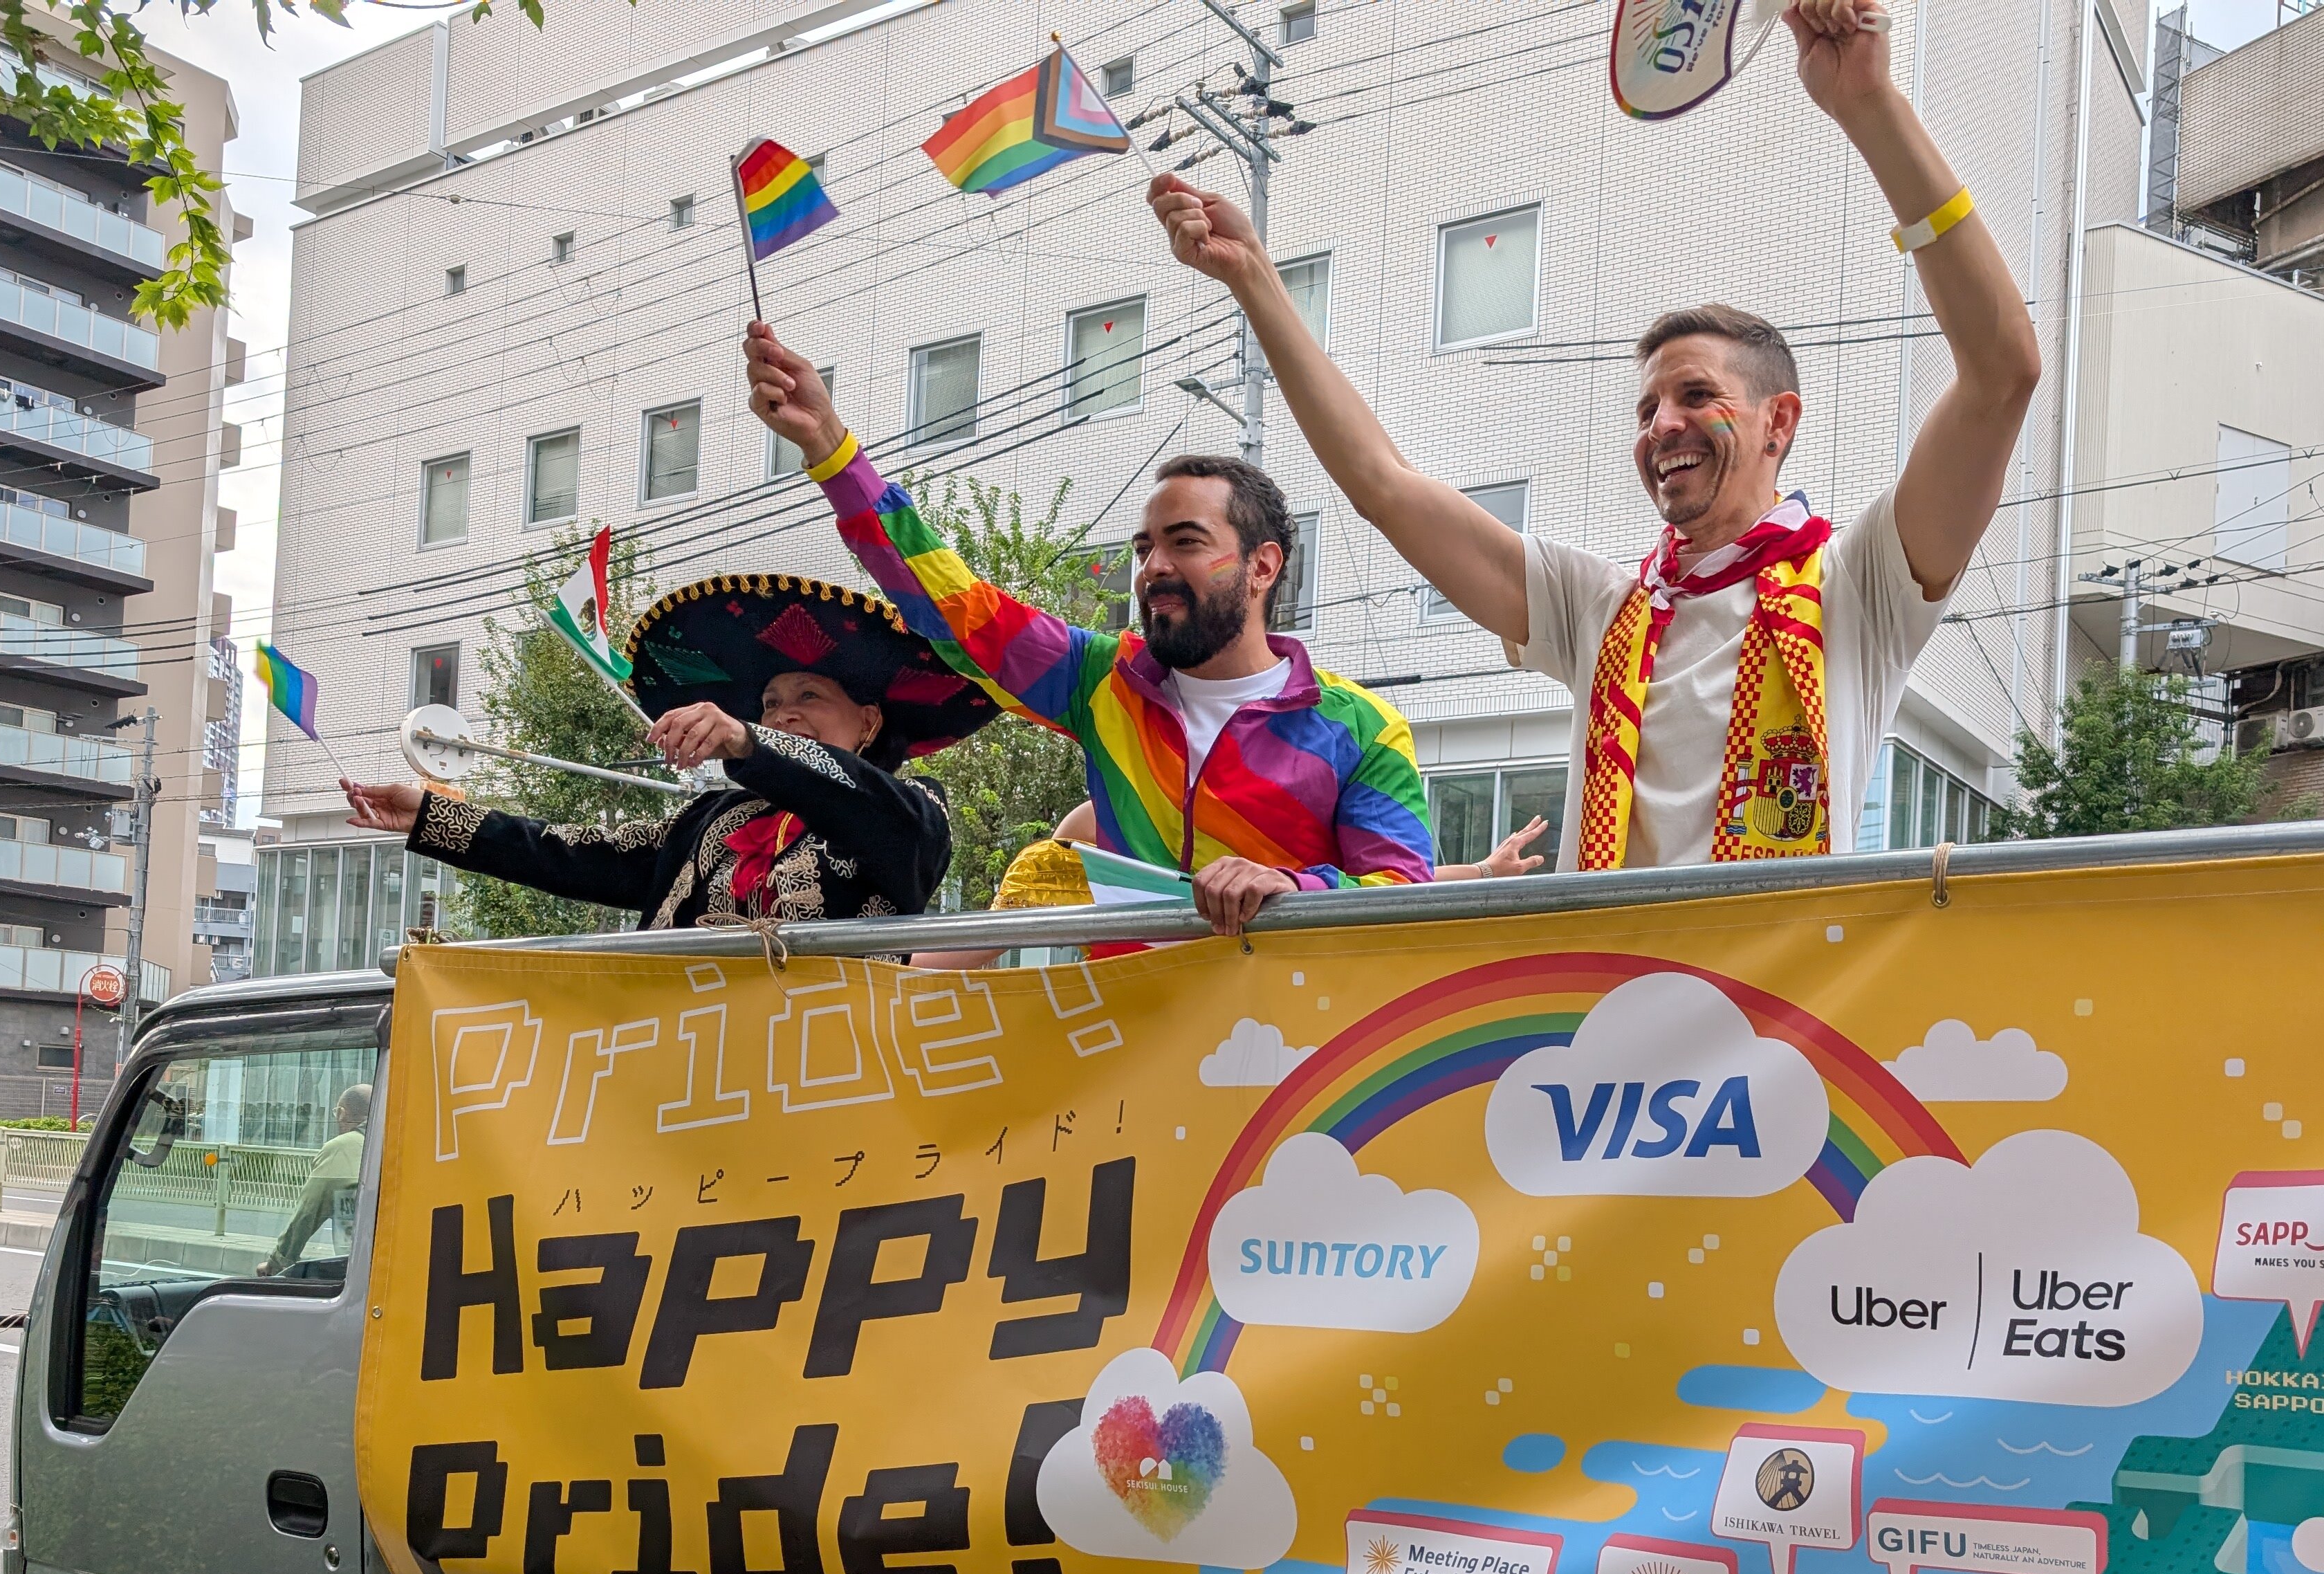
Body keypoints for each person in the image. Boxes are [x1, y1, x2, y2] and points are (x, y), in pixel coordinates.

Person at [1148, 0, 2041, 872]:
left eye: (1697, 395)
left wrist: (1870, 107)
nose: (1664, 427)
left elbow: (2003, 371)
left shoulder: (1858, 589)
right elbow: (1385, 486)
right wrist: (1257, 281)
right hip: (1596, 1013)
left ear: (1781, 422)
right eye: (1647, 410)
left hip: (1779, 1018)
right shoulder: (1601, 609)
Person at [744, 323, 1435, 937]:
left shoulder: (1366, 729)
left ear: (1263, 566)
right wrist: (830, 449)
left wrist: (1291, 887)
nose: (1153, 569)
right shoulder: (1100, 680)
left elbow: (1405, 895)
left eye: (1186, 543)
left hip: (1293, 1061)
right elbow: (951, 602)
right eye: (1144, 550)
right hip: (1122, 1047)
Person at [340, 576, 1001, 927]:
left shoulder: (916, 810)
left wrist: (751, 739)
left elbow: (877, 813)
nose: (782, 713)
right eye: (769, 703)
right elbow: (568, 851)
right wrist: (433, 817)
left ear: (868, 721)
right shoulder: (713, 820)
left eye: (808, 695)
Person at [263, 1081, 369, 1276]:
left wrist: (278, 1262)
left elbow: (308, 1211)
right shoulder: (398, 1143)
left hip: (360, 1270)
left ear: (341, 1114)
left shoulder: (341, 1147)